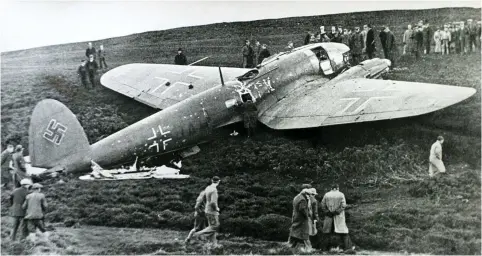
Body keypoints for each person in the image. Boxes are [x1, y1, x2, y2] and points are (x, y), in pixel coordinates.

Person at [321, 184, 353, 252]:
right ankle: (348, 248)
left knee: (327, 232)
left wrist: (327, 212)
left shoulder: (327, 194)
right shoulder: (341, 194)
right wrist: (337, 212)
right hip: (339, 216)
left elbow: (322, 204)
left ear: (332, 188)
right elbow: (343, 205)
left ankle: (324, 249)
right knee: (344, 231)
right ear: (337, 188)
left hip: (329, 216)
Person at [192, 176, 221, 245]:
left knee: (211, 227)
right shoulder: (214, 190)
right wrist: (217, 208)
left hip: (207, 210)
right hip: (212, 211)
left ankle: (214, 245)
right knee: (215, 226)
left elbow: (204, 198)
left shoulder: (208, 188)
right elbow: (213, 202)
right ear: (219, 181)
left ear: (212, 180)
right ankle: (197, 235)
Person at [288, 187, 313, 252]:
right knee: (305, 234)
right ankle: (309, 249)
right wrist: (307, 216)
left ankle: (290, 246)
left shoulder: (296, 197)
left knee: (294, 232)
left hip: (296, 217)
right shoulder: (303, 199)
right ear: (305, 193)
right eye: (308, 194)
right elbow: (302, 209)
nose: (309, 196)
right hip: (302, 219)